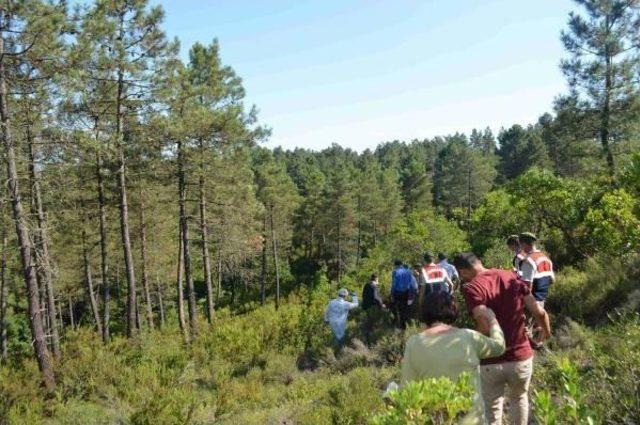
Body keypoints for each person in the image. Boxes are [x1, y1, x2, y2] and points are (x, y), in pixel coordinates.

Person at [453, 252, 551, 425]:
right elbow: (539, 312)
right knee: (520, 398)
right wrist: (546, 332)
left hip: (491, 361)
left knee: (492, 407)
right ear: (479, 261)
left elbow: (484, 326)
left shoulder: (471, 288)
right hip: (520, 356)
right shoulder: (511, 276)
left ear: (462, 272)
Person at [401, 291, 505, 425]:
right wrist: (492, 319)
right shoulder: (469, 337)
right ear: (453, 310)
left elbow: (407, 389)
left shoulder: (414, 343)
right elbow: (499, 346)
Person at [518, 232, 554, 307]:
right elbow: (551, 280)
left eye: (520, 244)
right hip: (542, 301)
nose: (520, 247)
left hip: (531, 303)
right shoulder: (546, 258)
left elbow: (527, 286)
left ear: (524, 244)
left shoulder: (528, 260)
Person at [324, 288, 359, 353]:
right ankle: (338, 353)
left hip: (331, 323)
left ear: (338, 294)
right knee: (340, 338)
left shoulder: (332, 302)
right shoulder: (346, 304)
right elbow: (356, 304)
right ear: (345, 296)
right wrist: (354, 297)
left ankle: (330, 352)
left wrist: (326, 320)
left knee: (332, 338)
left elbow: (326, 311)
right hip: (340, 325)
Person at [390, 260, 417, 329]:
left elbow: (393, 284)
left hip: (398, 293)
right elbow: (412, 284)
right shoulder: (408, 271)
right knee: (405, 309)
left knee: (397, 309)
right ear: (401, 264)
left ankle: (399, 325)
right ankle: (406, 324)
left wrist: (392, 294)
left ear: (396, 265)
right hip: (406, 293)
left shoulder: (395, 272)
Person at [362, 274, 385, 344]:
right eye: (377, 279)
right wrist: (381, 305)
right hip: (373, 308)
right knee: (373, 324)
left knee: (368, 324)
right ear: (376, 279)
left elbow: (363, 295)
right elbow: (376, 298)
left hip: (366, 307)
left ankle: (366, 339)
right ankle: (371, 341)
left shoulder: (366, 285)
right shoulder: (374, 287)